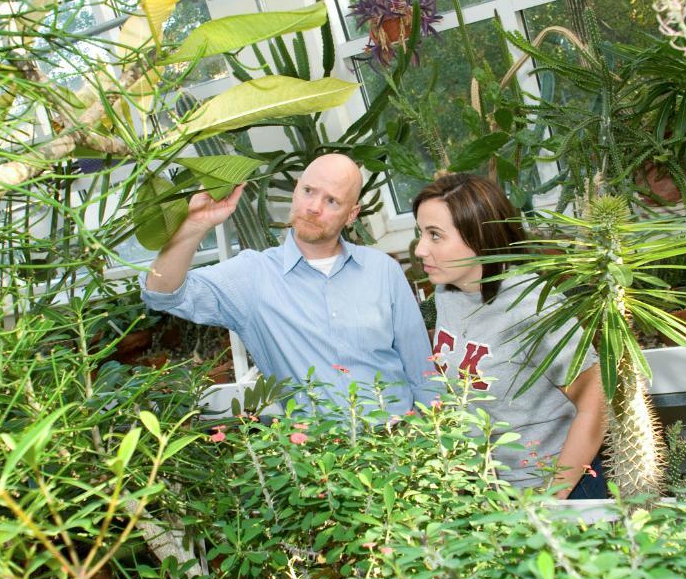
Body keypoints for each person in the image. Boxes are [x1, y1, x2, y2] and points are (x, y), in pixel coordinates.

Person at [141, 153, 434, 414]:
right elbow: (162, 294)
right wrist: (195, 225)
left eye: (332, 201)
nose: (314, 207)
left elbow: (422, 372)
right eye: (308, 191)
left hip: (399, 444)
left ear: (351, 215)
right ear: (296, 192)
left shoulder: (383, 271)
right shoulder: (252, 276)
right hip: (317, 459)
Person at [412, 174, 608, 498]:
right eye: (421, 233)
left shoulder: (532, 306)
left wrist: (552, 496)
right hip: (491, 493)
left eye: (435, 236)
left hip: (554, 491)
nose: (420, 249)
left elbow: (596, 401)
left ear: (479, 237)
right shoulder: (447, 292)